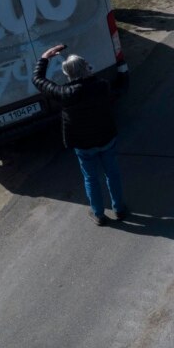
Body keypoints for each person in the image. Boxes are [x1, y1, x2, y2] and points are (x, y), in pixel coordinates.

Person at [33, 44, 126, 226]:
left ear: (67, 74)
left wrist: (44, 58)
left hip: (83, 145)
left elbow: (37, 79)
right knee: (112, 173)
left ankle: (98, 214)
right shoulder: (102, 86)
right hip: (106, 138)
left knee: (91, 178)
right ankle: (120, 209)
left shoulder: (64, 93)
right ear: (87, 68)